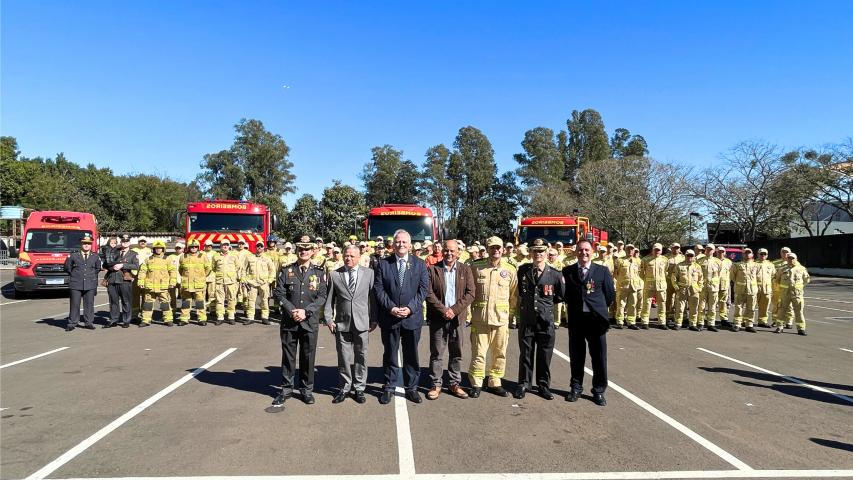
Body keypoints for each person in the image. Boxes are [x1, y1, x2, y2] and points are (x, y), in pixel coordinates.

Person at [373, 229, 429, 404]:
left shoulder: (420, 264)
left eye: (404, 242)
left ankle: (411, 388)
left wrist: (410, 308)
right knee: (390, 353)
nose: (401, 244)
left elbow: (423, 289)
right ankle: (389, 387)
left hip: (412, 317)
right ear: (393, 244)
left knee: (411, 354)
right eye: (398, 241)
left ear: (410, 244)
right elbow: (378, 288)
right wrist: (391, 308)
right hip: (390, 317)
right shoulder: (383, 264)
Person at [272, 235, 328, 406]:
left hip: (309, 321)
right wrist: (291, 310)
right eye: (300, 249)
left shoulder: (319, 272)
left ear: (313, 251)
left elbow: (322, 296)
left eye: (307, 249)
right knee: (288, 357)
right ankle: (286, 389)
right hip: (289, 321)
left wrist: (306, 312)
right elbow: (279, 293)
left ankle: (306, 390)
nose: (304, 251)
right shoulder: (286, 270)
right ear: (296, 251)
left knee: (308, 357)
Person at [562, 239, 615, 406]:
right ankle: (576, 388)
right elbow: (565, 295)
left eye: (586, 250)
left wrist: (596, 308)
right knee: (577, 356)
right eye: (580, 250)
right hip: (577, 319)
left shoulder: (602, 271)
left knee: (599, 357)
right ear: (575, 252)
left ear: (592, 252)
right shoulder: (567, 271)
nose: (583, 253)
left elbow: (610, 295)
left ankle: (599, 390)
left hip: (595, 320)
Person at [323, 244, 376, 404]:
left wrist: (374, 319)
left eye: (352, 256)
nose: (349, 258)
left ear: (359, 257)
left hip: (362, 323)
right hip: (342, 323)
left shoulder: (369, 274)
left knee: (361, 356)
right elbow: (329, 299)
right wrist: (329, 320)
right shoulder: (335, 275)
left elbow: (373, 299)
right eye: (346, 255)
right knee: (344, 358)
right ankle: (345, 388)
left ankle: (359, 388)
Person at [424, 240, 475, 400]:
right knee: (437, 353)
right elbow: (428, 293)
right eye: (446, 250)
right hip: (438, 318)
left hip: (457, 319)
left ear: (458, 252)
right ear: (442, 252)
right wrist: (443, 310)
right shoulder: (432, 269)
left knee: (456, 352)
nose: (449, 253)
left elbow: (470, 293)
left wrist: (454, 310)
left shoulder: (465, 270)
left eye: (452, 251)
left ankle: (454, 383)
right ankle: (436, 384)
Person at [468, 236, 518, 398]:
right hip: (480, 318)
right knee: (478, 352)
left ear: (503, 249)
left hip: (501, 319)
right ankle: (476, 383)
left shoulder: (510, 269)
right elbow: (469, 292)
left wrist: (511, 317)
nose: (495, 250)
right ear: (487, 249)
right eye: (492, 247)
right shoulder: (476, 267)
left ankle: (495, 382)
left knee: (499, 352)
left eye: (498, 247)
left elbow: (514, 295)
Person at [514, 238, 564, 400]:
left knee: (545, 355)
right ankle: (523, 383)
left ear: (547, 253)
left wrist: (543, 307)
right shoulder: (522, 271)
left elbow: (560, 296)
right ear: (530, 252)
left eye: (541, 251)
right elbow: (520, 293)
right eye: (535, 250)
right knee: (525, 354)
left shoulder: (555, 274)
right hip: (527, 319)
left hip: (546, 321)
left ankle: (543, 386)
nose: (538, 254)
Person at [64, 234, 102, 331]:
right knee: (74, 304)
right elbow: (67, 267)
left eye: (88, 244)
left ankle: (88, 322)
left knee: (89, 304)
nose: (86, 245)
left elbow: (97, 268)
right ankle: (72, 323)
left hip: (90, 283)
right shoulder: (73, 255)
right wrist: (77, 275)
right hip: (76, 283)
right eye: (84, 243)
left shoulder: (95, 256)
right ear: (81, 244)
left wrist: (90, 275)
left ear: (91, 245)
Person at [138, 240, 177, 327]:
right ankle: (145, 320)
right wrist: (141, 281)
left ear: (163, 249)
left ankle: (168, 319)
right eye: (156, 248)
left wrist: (172, 282)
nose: (158, 250)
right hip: (150, 287)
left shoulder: (168, 259)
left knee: (165, 304)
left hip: (163, 287)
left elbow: (173, 272)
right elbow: (142, 271)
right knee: (148, 304)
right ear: (153, 249)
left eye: (160, 248)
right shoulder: (148, 260)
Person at [103, 235, 139, 328]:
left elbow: (135, 266)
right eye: (123, 241)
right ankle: (113, 320)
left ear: (129, 243)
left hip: (124, 280)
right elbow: (106, 263)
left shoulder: (133, 254)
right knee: (113, 301)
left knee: (126, 301)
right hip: (112, 279)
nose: (124, 243)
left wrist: (122, 265)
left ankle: (126, 320)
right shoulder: (114, 251)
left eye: (126, 241)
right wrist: (112, 267)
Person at [178, 239, 211, 326]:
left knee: (200, 303)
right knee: (186, 303)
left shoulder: (203, 256)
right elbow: (180, 270)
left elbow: (208, 269)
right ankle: (184, 319)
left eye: (195, 247)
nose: (193, 248)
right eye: (192, 247)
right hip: (187, 286)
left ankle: (201, 319)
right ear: (188, 248)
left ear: (198, 248)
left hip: (198, 285)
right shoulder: (183, 257)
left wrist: (202, 277)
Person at [776, 252, 810, 335]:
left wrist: (798, 287)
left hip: (797, 294)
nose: (791, 260)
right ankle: (779, 327)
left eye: (793, 258)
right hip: (785, 293)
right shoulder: (782, 269)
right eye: (789, 258)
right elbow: (777, 280)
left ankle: (801, 328)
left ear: (796, 259)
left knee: (799, 311)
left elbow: (806, 280)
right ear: (786, 259)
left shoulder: (801, 269)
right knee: (782, 310)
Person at [244, 241, 276, 325]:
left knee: (264, 300)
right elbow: (243, 269)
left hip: (263, 283)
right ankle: (250, 318)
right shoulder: (250, 257)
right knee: (251, 300)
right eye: (258, 246)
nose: (259, 247)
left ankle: (265, 317)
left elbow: (272, 270)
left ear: (263, 248)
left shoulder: (267, 258)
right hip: (252, 283)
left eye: (261, 246)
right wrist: (245, 280)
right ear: (255, 247)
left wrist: (270, 280)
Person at [671, 250, 703, 331]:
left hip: (694, 291)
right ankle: (678, 324)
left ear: (694, 257)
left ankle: (692, 324)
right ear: (685, 256)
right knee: (680, 308)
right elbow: (674, 278)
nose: (689, 257)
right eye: (688, 255)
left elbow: (701, 279)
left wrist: (699, 288)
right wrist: (676, 288)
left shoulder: (697, 267)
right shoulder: (679, 266)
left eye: (691, 256)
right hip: (682, 290)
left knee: (694, 308)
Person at [213, 239, 243, 325]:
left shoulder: (233, 255)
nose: (225, 246)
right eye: (223, 245)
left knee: (231, 299)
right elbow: (214, 267)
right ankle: (220, 317)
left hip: (230, 281)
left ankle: (231, 317)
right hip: (219, 281)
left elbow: (238, 266)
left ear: (229, 246)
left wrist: (232, 275)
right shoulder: (216, 256)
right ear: (221, 246)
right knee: (219, 300)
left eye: (226, 245)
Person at [640, 243, 669, 329]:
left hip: (661, 286)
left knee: (662, 304)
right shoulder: (646, 260)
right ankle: (645, 322)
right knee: (646, 304)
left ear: (661, 251)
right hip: (649, 285)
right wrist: (646, 280)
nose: (657, 251)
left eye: (658, 250)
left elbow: (666, 272)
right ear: (652, 250)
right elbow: (641, 273)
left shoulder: (665, 260)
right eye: (655, 249)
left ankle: (662, 322)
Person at [614, 244, 643, 330]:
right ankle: (620, 322)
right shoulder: (620, 261)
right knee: (621, 304)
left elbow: (639, 273)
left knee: (632, 305)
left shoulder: (637, 261)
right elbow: (616, 273)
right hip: (623, 287)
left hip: (633, 287)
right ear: (625, 250)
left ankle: (631, 322)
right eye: (628, 249)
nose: (630, 251)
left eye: (631, 249)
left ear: (634, 251)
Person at [731, 248, 758, 332]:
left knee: (751, 308)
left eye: (749, 253)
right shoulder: (737, 265)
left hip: (752, 290)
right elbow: (733, 276)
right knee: (738, 307)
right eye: (745, 253)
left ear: (752, 255)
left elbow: (758, 277)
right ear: (743, 255)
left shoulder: (756, 265)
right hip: (740, 289)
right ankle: (737, 324)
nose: (747, 255)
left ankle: (749, 324)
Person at [698, 245, 722, 332]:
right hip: (703, 287)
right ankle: (700, 323)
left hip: (713, 288)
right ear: (705, 250)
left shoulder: (718, 262)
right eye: (707, 249)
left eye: (710, 249)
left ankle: (711, 324)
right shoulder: (700, 261)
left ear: (714, 251)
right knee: (701, 306)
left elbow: (719, 275)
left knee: (712, 307)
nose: (709, 251)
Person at [131, 236, 152, 320]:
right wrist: (133, 272)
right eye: (141, 241)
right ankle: (134, 315)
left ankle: (144, 314)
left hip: (147, 277)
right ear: (138, 242)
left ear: (146, 242)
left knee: (146, 296)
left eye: (144, 241)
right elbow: (131, 262)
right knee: (135, 296)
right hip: (135, 276)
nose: (142, 243)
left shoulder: (150, 251)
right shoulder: (133, 251)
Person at [755, 248, 776, 328]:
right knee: (751, 307)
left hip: (766, 289)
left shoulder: (770, 265)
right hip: (755, 289)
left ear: (767, 255)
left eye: (765, 254)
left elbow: (773, 276)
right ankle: (747, 321)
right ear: (758, 255)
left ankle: (762, 321)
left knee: (765, 306)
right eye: (761, 254)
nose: (763, 255)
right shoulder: (754, 264)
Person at [664, 243, 684, 326]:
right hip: (669, 281)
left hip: (680, 282)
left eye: (677, 248)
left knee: (681, 300)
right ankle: (669, 316)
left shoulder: (683, 258)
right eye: (674, 248)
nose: (676, 249)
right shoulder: (666, 258)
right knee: (669, 299)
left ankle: (682, 317)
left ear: (679, 249)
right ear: (671, 249)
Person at [716, 246, 734, 326]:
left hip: (724, 285)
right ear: (716, 252)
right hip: (714, 285)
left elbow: (732, 273)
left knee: (723, 302)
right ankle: (711, 320)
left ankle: (724, 318)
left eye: (722, 252)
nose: (721, 253)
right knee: (712, 302)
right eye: (719, 252)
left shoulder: (729, 262)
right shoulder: (713, 261)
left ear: (725, 253)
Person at [167, 243, 184, 323]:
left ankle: (184, 313)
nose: (178, 249)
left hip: (182, 279)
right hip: (173, 279)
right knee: (172, 297)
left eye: (180, 248)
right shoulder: (170, 257)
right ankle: (173, 312)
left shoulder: (186, 256)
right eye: (177, 248)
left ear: (183, 249)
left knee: (184, 298)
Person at [203, 239, 219, 317]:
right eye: (208, 245)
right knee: (201, 294)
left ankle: (212, 309)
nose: (209, 247)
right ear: (204, 246)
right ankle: (202, 309)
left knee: (212, 294)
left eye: (210, 246)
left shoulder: (215, 254)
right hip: (202, 277)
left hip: (212, 277)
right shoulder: (200, 254)